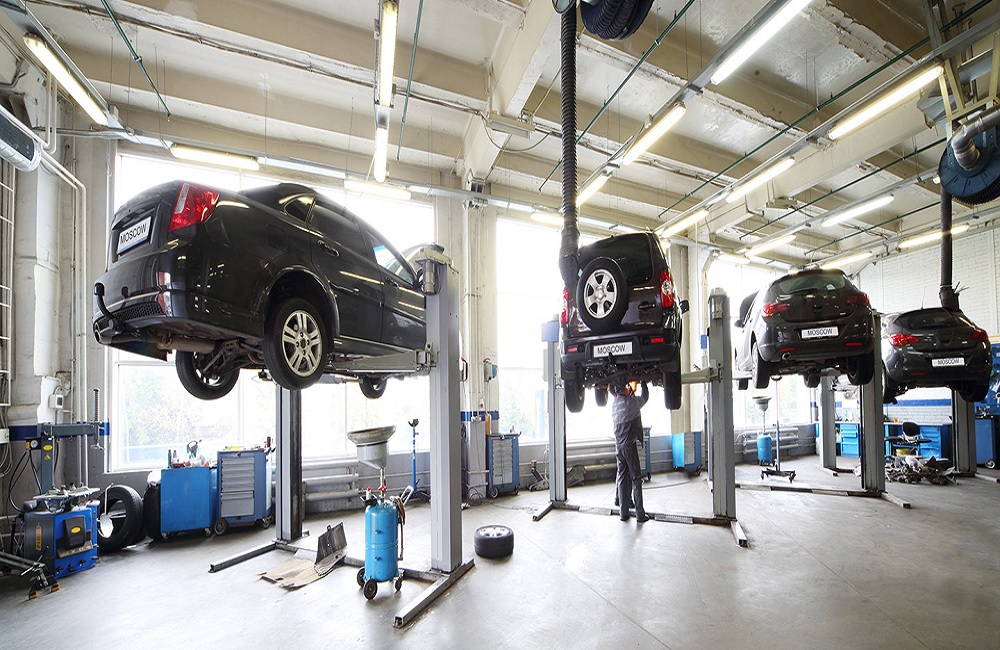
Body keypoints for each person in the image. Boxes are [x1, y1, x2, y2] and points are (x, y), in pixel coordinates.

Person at [611, 380, 649, 522]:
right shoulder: (631, 403)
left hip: (618, 447)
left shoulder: (615, 405)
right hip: (629, 447)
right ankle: (640, 514)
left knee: (622, 479)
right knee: (636, 479)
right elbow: (644, 397)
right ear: (624, 389)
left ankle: (623, 513)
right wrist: (643, 382)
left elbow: (615, 392)